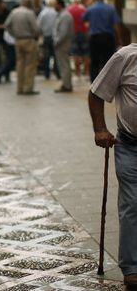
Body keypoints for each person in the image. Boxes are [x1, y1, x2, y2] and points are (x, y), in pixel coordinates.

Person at [88, 43, 137, 289]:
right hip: (131, 145)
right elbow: (96, 93)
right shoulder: (126, 57)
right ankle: (132, 268)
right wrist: (100, 128)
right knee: (132, 203)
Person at [82, 0, 121, 82]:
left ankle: (94, 84)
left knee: (94, 62)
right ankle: (106, 83)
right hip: (108, 37)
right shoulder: (110, 8)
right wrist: (119, 38)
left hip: (95, 37)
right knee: (107, 62)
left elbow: (83, 19)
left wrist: (90, 27)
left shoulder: (91, 8)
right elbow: (116, 25)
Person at [5, 0, 41, 95]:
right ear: (29, 3)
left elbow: (7, 25)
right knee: (30, 65)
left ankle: (19, 88)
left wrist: (14, 34)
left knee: (20, 64)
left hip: (18, 40)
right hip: (29, 40)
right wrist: (35, 35)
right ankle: (27, 88)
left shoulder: (14, 12)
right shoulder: (29, 13)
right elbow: (36, 29)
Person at [53, 0, 74, 93]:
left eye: (55, 4)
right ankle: (66, 83)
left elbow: (63, 32)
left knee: (64, 65)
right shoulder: (62, 15)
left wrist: (56, 42)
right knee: (63, 64)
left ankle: (67, 85)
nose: (54, 6)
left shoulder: (65, 16)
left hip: (62, 44)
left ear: (59, 5)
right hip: (62, 43)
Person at [37, 0, 60, 80]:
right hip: (54, 37)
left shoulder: (43, 13)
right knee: (55, 56)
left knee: (46, 56)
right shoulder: (56, 13)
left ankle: (47, 74)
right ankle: (57, 73)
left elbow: (38, 25)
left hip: (46, 37)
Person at [68, 0, 90, 78]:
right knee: (86, 53)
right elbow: (87, 22)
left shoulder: (69, 10)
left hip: (74, 33)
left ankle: (77, 72)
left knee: (75, 53)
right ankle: (86, 70)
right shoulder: (83, 10)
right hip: (83, 33)